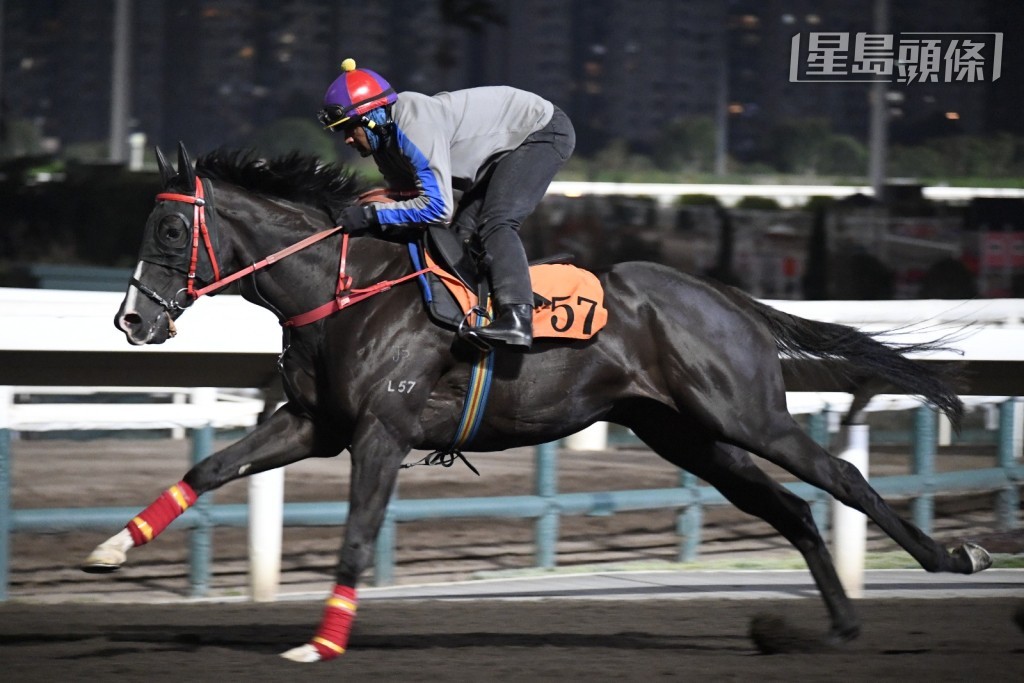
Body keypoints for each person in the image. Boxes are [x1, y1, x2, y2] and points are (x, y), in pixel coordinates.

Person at [318, 58, 575, 350]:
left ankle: (518, 319)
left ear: (373, 119)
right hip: (501, 152)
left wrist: (370, 215)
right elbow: (407, 200)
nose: (348, 139)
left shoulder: (412, 126)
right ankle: (482, 311)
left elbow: (438, 208)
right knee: (459, 239)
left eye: (350, 129)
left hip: (540, 132)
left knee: (496, 223)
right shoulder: (384, 146)